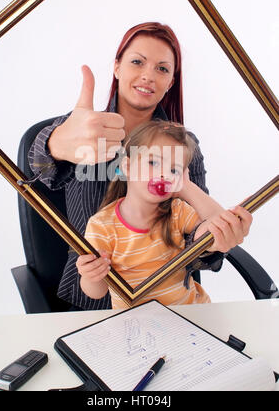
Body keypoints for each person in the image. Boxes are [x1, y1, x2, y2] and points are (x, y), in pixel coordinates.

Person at [28, 22, 252, 310]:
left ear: (171, 82)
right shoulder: (85, 130)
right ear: (118, 67)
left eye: (162, 68)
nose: (148, 76)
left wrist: (216, 237)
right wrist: (55, 143)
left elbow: (202, 240)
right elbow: (35, 174)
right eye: (137, 62)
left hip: (170, 302)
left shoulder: (184, 148)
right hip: (94, 302)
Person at [77, 120, 251, 308]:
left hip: (189, 311)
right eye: (153, 162)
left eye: (173, 170)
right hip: (136, 323)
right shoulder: (101, 225)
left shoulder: (177, 211)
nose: (163, 174)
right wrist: (91, 275)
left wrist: (186, 186)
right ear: (127, 167)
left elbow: (217, 227)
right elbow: (96, 292)